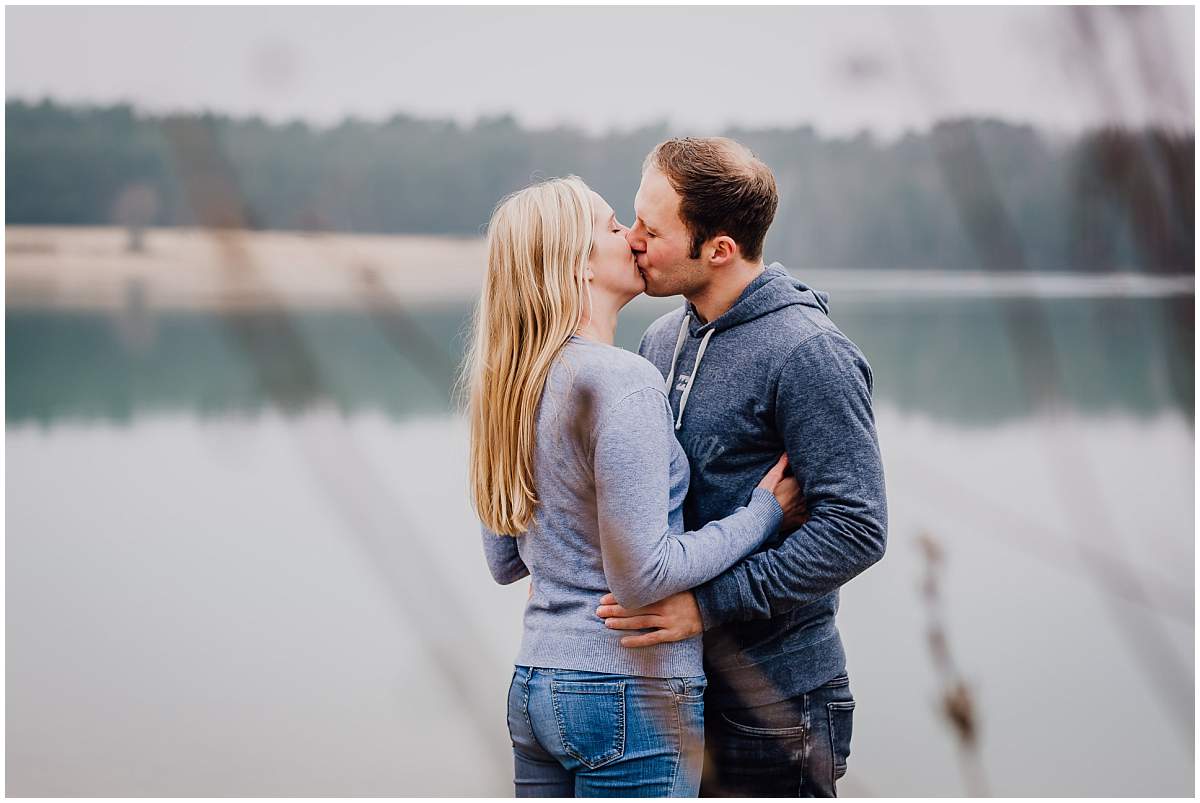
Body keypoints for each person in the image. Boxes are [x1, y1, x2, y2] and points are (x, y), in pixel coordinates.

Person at [467, 175, 807, 797]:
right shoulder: (625, 382)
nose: (631, 235)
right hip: (628, 693)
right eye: (611, 225)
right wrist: (762, 514)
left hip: (535, 688)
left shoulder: (511, 387)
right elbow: (645, 577)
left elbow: (505, 559)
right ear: (577, 263)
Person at [596, 137, 888, 797]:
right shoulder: (660, 337)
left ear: (719, 249)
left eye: (653, 229)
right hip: (676, 692)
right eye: (635, 218)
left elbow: (856, 528)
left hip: (776, 701)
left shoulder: (809, 353)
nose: (633, 239)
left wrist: (709, 605)